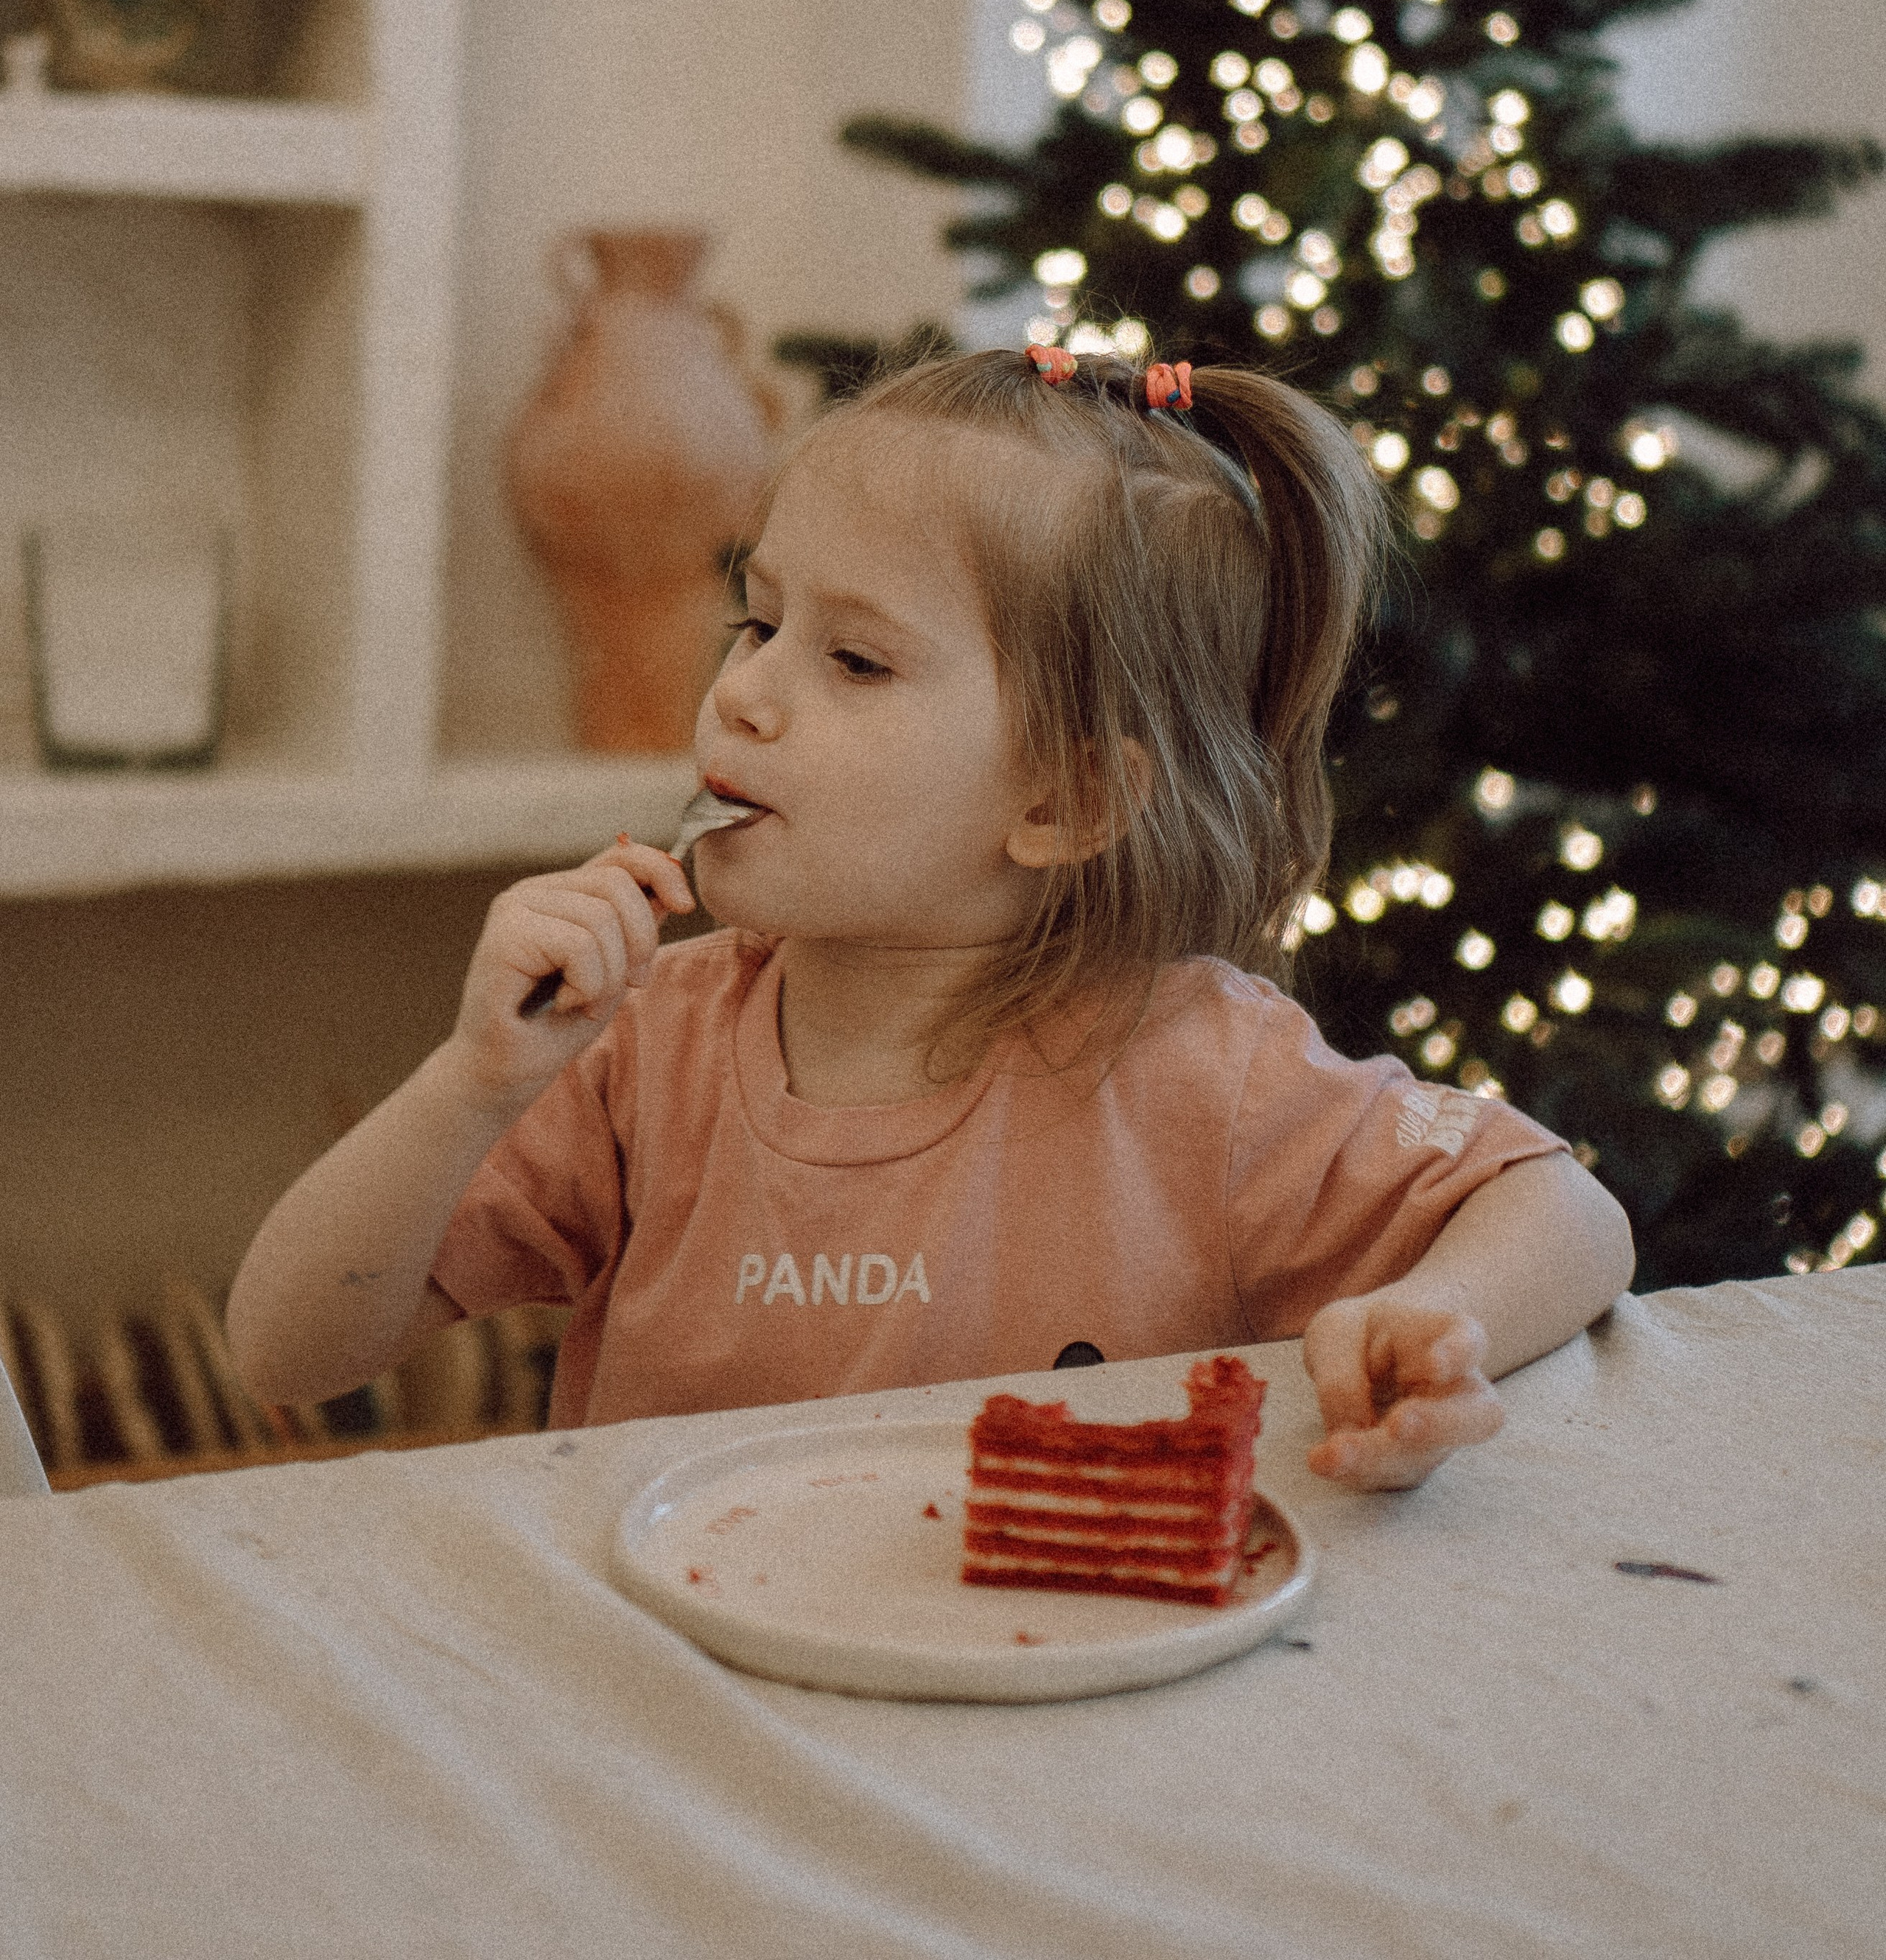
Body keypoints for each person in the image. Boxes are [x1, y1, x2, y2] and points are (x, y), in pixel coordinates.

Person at [228, 348, 1633, 1489]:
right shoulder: (644, 1047)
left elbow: (1561, 1206)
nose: (746, 694)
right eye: (756, 623)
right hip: (681, 1687)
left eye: (853, 659)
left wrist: (1437, 1322)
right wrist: (472, 1084)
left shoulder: (1203, 1070)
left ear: (1067, 802)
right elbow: (287, 1351)